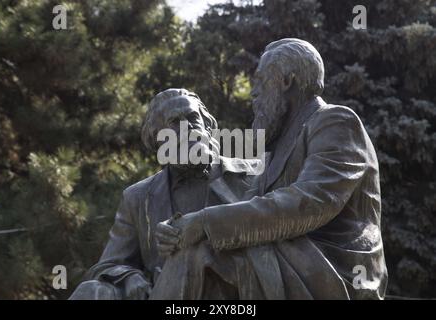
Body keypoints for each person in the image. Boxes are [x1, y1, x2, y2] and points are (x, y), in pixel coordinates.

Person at [155, 39, 388, 299]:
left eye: (260, 81)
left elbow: (310, 203)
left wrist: (204, 222)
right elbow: (250, 206)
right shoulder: (276, 146)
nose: (253, 93)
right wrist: (179, 226)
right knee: (197, 253)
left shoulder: (335, 121)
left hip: (332, 268)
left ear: (287, 82)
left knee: (196, 257)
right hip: (287, 257)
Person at [69, 88, 260, 299]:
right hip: (166, 294)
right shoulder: (138, 198)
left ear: (207, 125)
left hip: (233, 294)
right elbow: (108, 265)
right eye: (174, 123)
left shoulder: (253, 176)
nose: (187, 128)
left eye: (192, 118)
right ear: (159, 140)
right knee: (91, 291)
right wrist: (130, 277)